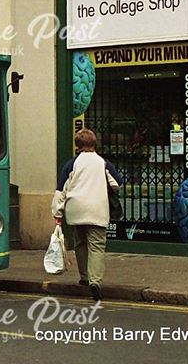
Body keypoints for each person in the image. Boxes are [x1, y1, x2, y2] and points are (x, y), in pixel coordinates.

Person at [52, 128, 123, 302]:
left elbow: (61, 190)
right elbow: (117, 184)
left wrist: (57, 212)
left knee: (81, 243)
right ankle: (95, 281)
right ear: (94, 144)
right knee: (97, 246)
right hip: (97, 209)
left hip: (76, 210)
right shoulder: (103, 163)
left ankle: (84, 277)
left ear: (78, 145)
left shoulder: (71, 164)